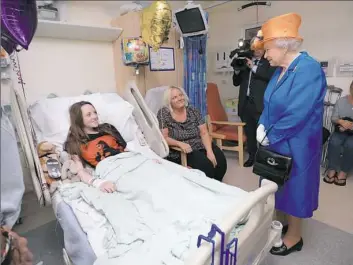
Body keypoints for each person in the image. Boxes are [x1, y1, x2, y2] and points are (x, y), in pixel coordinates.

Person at [252, 13, 327, 256]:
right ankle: (282, 223)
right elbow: (269, 102)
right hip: (276, 138)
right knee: (277, 183)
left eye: (268, 49)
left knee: (296, 187)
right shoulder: (281, 69)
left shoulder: (308, 69)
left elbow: (298, 112)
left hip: (298, 142)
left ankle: (295, 237)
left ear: (283, 46)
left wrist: (271, 134)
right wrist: (262, 126)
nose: (265, 55)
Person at [156, 86, 227, 182]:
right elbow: (164, 138)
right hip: (183, 150)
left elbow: (204, 132)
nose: (179, 98)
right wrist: (179, 143)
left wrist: (209, 151)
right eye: (174, 97)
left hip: (200, 144)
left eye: (180, 95)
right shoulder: (163, 113)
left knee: (220, 161)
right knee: (206, 166)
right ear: (169, 101)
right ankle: (208, 187)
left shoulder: (193, 110)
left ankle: (217, 184)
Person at [64, 101, 126, 193]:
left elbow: (125, 150)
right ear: (79, 119)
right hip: (113, 171)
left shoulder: (108, 128)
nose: (94, 116)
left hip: (128, 162)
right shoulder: (74, 142)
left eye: (95, 112)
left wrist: (143, 159)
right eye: (88, 115)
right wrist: (98, 183)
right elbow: (80, 171)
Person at [232, 38, 277, 167]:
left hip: (260, 105)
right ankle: (252, 156)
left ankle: (263, 159)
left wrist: (253, 67)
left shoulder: (269, 62)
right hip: (245, 104)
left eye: (259, 48)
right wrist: (237, 70)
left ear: (264, 49)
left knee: (262, 134)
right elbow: (236, 82)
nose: (256, 50)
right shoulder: (244, 61)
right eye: (254, 47)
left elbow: (269, 76)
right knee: (250, 133)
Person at [324, 80, 353, 186]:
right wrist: (341, 122)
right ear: (351, 88)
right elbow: (334, 118)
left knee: (350, 145)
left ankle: (343, 172)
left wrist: (350, 126)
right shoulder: (341, 101)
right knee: (334, 142)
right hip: (340, 129)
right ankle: (332, 169)